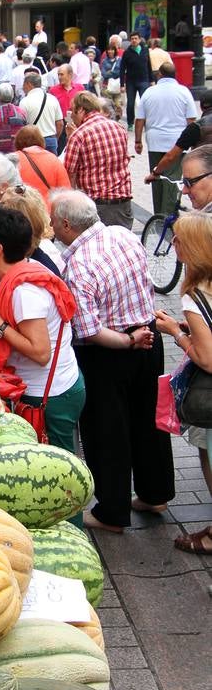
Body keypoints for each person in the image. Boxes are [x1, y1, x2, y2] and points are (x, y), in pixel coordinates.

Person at [50, 189, 175, 532]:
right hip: (149, 338)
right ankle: (155, 493)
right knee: (149, 419)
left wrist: (126, 341)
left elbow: (89, 331)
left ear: (64, 224)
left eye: (52, 221)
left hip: (112, 351)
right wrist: (138, 336)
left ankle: (112, 512)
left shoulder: (77, 266)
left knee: (107, 431)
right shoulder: (121, 233)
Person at [0, 207, 84, 453]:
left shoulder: (25, 292)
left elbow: (41, 353)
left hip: (50, 396)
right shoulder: (18, 271)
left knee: (61, 471)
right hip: (45, 389)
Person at [155, 212, 212, 553]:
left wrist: (175, 332)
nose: (173, 243)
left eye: (177, 238)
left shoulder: (195, 296)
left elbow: (207, 359)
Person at [134, 62, 197, 215]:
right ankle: (168, 214)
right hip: (178, 143)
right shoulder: (184, 92)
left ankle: (159, 215)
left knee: (156, 177)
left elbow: (140, 119)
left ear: (160, 74)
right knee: (172, 179)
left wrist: (138, 141)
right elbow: (191, 120)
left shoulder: (149, 92)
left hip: (155, 142)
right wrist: (193, 143)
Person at [63, 91, 133, 229]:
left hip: (96, 205)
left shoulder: (79, 135)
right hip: (122, 203)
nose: (71, 115)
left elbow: (69, 173)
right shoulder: (119, 128)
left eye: (72, 111)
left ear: (81, 109)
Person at [145, 90, 212, 183]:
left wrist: (155, 173)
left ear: (201, 107)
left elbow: (171, 156)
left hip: (205, 176)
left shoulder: (196, 127)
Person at [14, 125, 71, 206]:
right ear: (41, 140)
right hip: (48, 212)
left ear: (17, 142)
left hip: (21, 211)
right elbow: (66, 192)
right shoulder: (53, 160)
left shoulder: (13, 160)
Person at [18, 71, 63, 154]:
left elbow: (21, 125)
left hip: (32, 141)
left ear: (29, 84)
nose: (23, 87)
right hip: (51, 140)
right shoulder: (52, 99)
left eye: (23, 84)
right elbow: (60, 123)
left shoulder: (24, 102)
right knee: (51, 166)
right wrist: (55, 139)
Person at [120, 32, 153, 130]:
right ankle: (130, 123)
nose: (134, 40)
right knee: (130, 103)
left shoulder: (145, 50)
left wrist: (151, 80)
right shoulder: (127, 53)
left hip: (144, 80)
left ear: (139, 40)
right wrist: (122, 84)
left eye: (136, 38)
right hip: (131, 82)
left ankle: (147, 122)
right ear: (130, 40)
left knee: (146, 102)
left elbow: (149, 65)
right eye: (132, 39)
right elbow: (122, 69)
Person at [49, 64, 85, 153]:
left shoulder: (79, 88)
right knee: (61, 148)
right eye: (58, 75)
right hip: (60, 122)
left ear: (70, 75)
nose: (59, 77)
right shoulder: (53, 90)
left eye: (62, 74)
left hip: (76, 121)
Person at [100, 45, 123, 120]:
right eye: (108, 50)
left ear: (115, 51)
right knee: (108, 105)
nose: (110, 51)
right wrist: (113, 73)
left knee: (118, 105)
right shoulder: (104, 61)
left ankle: (117, 119)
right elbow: (104, 74)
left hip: (117, 85)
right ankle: (111, 120)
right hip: (106, 86)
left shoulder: (119, 60)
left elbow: (120, 72)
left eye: (112, 50)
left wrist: (110, 72)